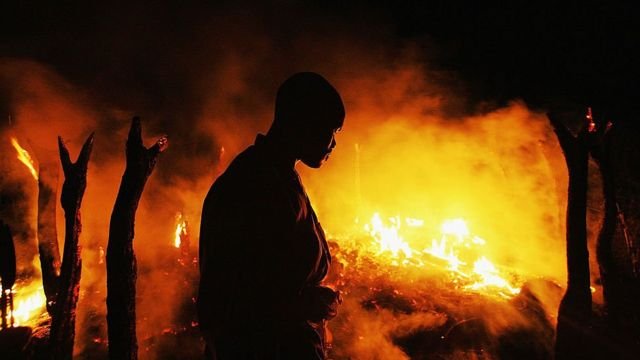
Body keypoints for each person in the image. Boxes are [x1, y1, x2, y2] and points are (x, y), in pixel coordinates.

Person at [198, 72, 345, 359]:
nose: (334, 143)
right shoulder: (256, 184)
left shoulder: (280, 176)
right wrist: (307, 305)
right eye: (332, 129)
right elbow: (235, 300)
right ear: (305, 123)